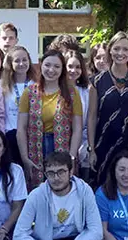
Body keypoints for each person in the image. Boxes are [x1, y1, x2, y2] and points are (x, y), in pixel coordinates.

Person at [14, 151, 103, 240]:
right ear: (45, 174)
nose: (56, 178)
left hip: (73, 239)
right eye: (51, 173)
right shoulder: (36, 195)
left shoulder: (84, 191)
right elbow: (19, 234)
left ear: (71, 172)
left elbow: (96, 230)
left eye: (61, 172)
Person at [88, 32, 128, 184]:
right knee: (104, 185)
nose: (120, 53)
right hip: (104, 144)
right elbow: (92, 116)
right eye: (116, 48)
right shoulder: (97, 81)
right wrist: (91, 149)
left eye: (125, 49)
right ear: (110, 50)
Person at [18, 50, 84, 188]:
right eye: (47, 65)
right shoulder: (29, 92)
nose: (51, 70)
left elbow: (77, 128)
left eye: (56, 66)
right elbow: (21, 128)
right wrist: (25, 157)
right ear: (41, 66)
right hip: (36, 148)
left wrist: (71, 156)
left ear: (62, 69)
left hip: (63, 148)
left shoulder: (72, 93)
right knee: (38, 190)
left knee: (62, 187)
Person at [0, 45, 36, 164]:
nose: (21, 64)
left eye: (24, 60)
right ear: (10, 63)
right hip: (10, 135)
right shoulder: (0, 86)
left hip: (32, 136)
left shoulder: (36, 85)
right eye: (17, 61)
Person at [65, 49, 92, 181]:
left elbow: (89, 120)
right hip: (61, 141)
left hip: (82, 144)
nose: (73, 70)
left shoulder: (86, 91)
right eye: (70, 66)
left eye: (78, 67)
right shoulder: (57, 89)